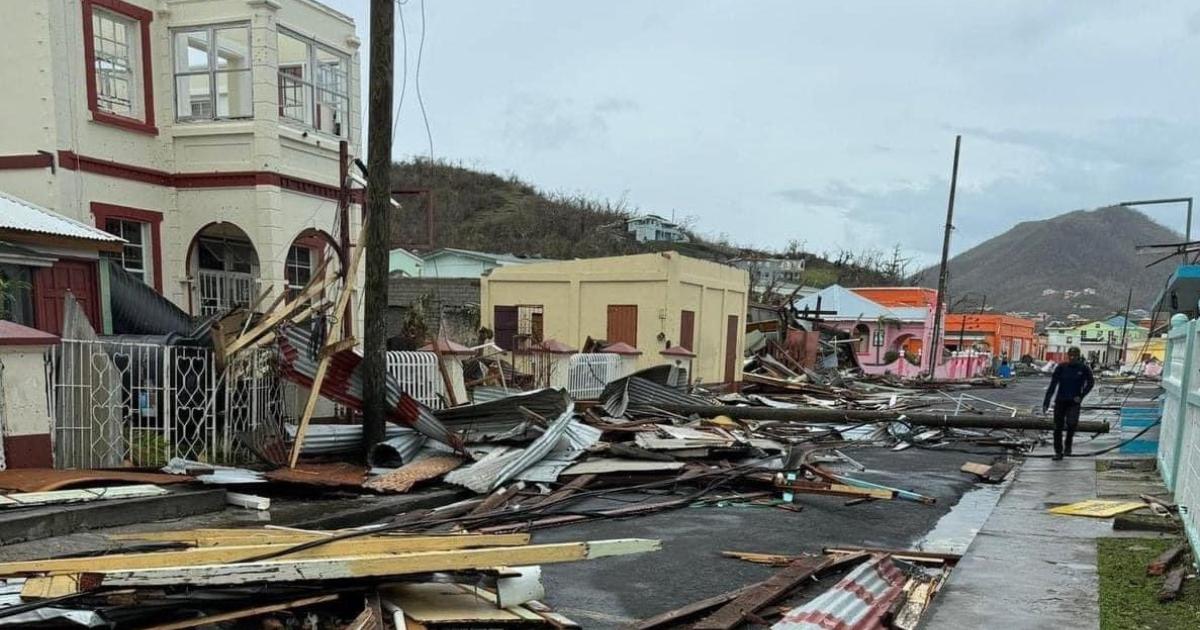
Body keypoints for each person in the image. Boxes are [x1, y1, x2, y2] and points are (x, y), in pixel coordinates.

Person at [1042, 346, 1095, 460]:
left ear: (1078, 356)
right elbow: (1053, 385)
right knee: (1057, 427)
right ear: (1068, 356)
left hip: (1074, 402)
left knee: (1072, 424)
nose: (1072, 358)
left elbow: (1091, 383)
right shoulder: (1061, 367)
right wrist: (1046, 402)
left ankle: (1068, 445)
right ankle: (1058, 452)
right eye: (1070, 356)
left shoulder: (1084, 368)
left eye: (1074, 356)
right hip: (1061, 400)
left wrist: (1081, 396)